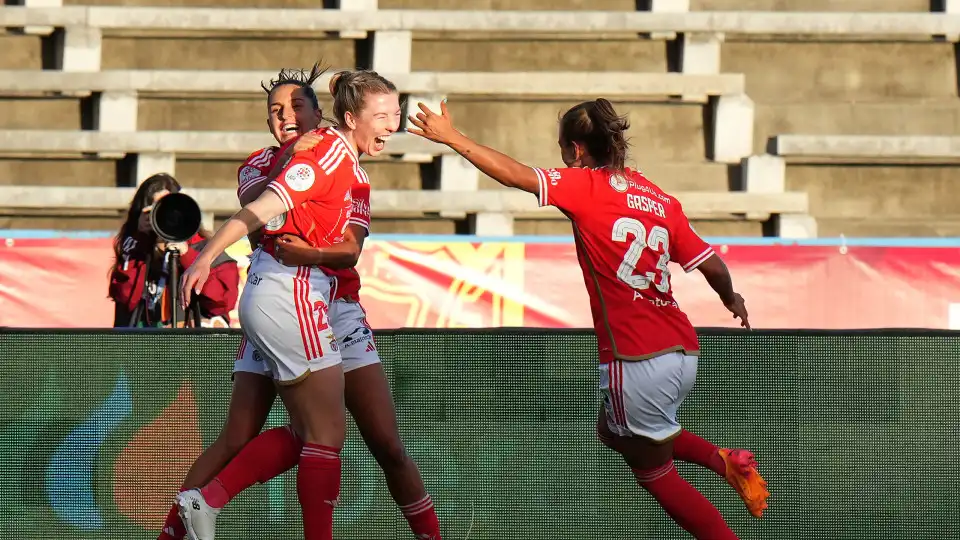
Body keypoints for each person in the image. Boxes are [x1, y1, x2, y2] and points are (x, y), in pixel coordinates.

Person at [408, 98, 770, 539]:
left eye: (562, 146)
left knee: (653, 472)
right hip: (682, 347)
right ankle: (724, 460)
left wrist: (452, 138)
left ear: (577, 150)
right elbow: (712, 264)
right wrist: (731, 298)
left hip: (634, 355)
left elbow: (516, 175)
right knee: (614, 430)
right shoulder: (659, 198)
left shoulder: (585, 186)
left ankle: (723, 510)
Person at [165, 67, 441, 540]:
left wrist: (309, 249)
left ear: (320, 112)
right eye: (276, 111)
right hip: (292, 293)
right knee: (305, 433)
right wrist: (208, 254)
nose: (286, 117)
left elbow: (349, 247)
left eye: (296, 107)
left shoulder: (347, 167)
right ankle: (193, 514)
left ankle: (200, 508)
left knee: (372, 440)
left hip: (331, 300)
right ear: (348, 118)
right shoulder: (287, 160)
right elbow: (266, 208)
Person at [109, 173, 239, 328]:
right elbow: (125, 300)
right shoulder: (135, 252)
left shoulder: (208, 250)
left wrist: (187, 256)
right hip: (148, 346)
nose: (163, 216)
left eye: (167, 207)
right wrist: (138, 244)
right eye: (155, 210)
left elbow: (221, 304)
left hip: (195, 346)